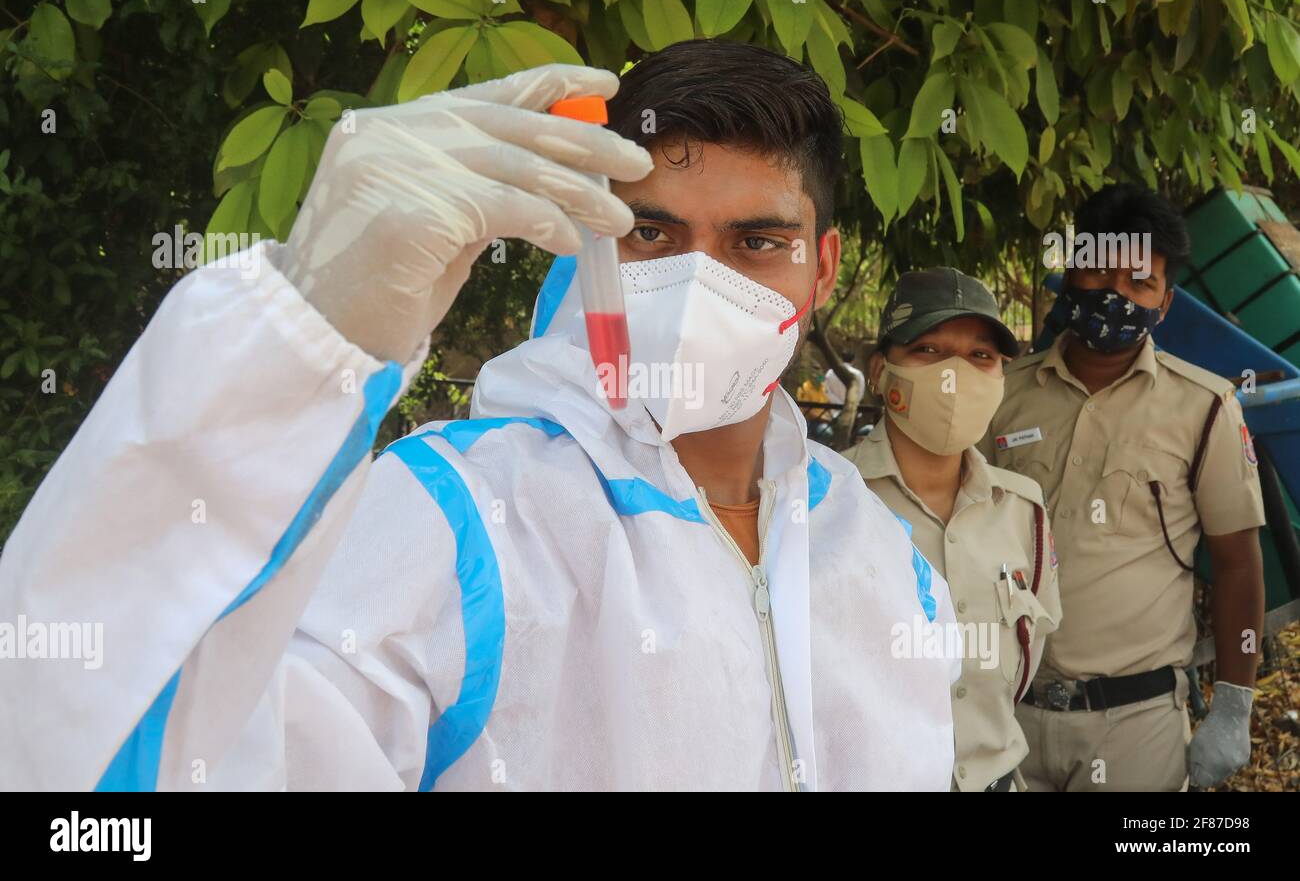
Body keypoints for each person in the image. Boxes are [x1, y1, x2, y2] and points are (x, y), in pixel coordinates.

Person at [0, 41, 959, 791]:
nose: (698, 280)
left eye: (757, 242)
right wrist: (302, 335)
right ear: (590, 242)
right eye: (652, 233)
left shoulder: (884, 561)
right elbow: (111, 763)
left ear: (824, 268)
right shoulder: (456, 517)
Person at [980, 184, 1266, 791]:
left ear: (1164, 304)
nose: (1117, 294)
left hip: (1134, 726)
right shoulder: (1000, 396)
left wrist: (1234, 705)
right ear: (1071, 271)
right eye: (1101, 271)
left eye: (1140, 283)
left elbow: (1239, 564)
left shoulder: (1205, 408)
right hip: (1005, 712)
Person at [846, 269, 1061, 792]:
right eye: (929, 349)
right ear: (880, 371)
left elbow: (1031, 655)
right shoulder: (829, 500)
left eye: (980, 356)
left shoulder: (1022, 509)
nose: (955, 374)